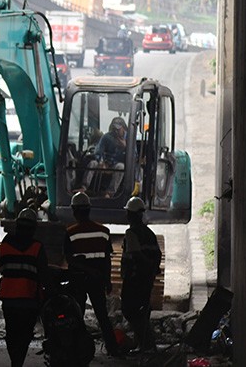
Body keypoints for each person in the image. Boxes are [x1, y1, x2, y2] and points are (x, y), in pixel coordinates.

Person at [64, 191, 121, 357]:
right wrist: (108, 280)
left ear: (74, 211)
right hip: (97, 280)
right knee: (102, 315)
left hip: (78, 280)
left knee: (77, 314)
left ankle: (75, 348)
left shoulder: (71, 233)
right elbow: (106, 259)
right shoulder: (103, 231)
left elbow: (70, 259)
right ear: (89, 210)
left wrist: (86, 269)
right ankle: (113, 348)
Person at [0, 208, 48, 367]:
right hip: (29, 300)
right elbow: (43, 273)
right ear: (34, 228)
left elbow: (2, 267)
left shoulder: (5, 245)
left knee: (11, 334)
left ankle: (15, 362)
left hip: (9, 299)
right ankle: (18, 362)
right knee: (25, 335)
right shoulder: (37, 247)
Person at [121, 196, 162, 354]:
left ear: (131, 215)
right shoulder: (149, 233)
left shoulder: (131, 233)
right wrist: (153, 269)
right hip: (146, 279)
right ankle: (144, 344)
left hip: (134, 278)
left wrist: (147, 266)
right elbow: (157, 254)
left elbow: (136, 255)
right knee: (142, 310)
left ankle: (147, 343)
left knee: (129, 309)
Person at [85, 116, 128, 196]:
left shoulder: (130, 138)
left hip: (118, 164)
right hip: (106, 163)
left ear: (124, 128)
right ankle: (84, 187)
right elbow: (98, 151)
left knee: (121, 167)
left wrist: (126, 147)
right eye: (114, 129)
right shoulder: (107, 137)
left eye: (118, 129)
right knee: (93, 163)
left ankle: (110, 193)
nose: (116, 131)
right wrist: (101, 162)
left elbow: (134, 156)